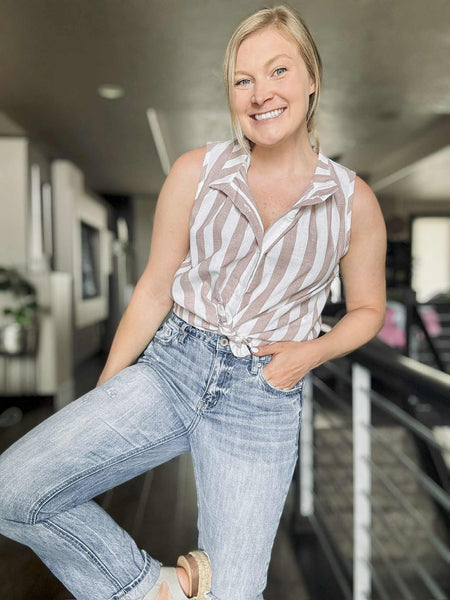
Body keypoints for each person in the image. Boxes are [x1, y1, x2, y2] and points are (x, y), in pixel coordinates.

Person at [0, 4, 386, 600]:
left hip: (262, 397)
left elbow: (367, 311)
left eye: (279, 70)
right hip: (172, 368)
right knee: (15, 491)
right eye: (243, 79)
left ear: (312, 78)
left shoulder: (352, 201)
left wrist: (309, 354)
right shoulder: (195, 173)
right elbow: (154, 288)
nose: (261, 93)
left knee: (234, 594)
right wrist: (105, 393)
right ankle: (151, 589)